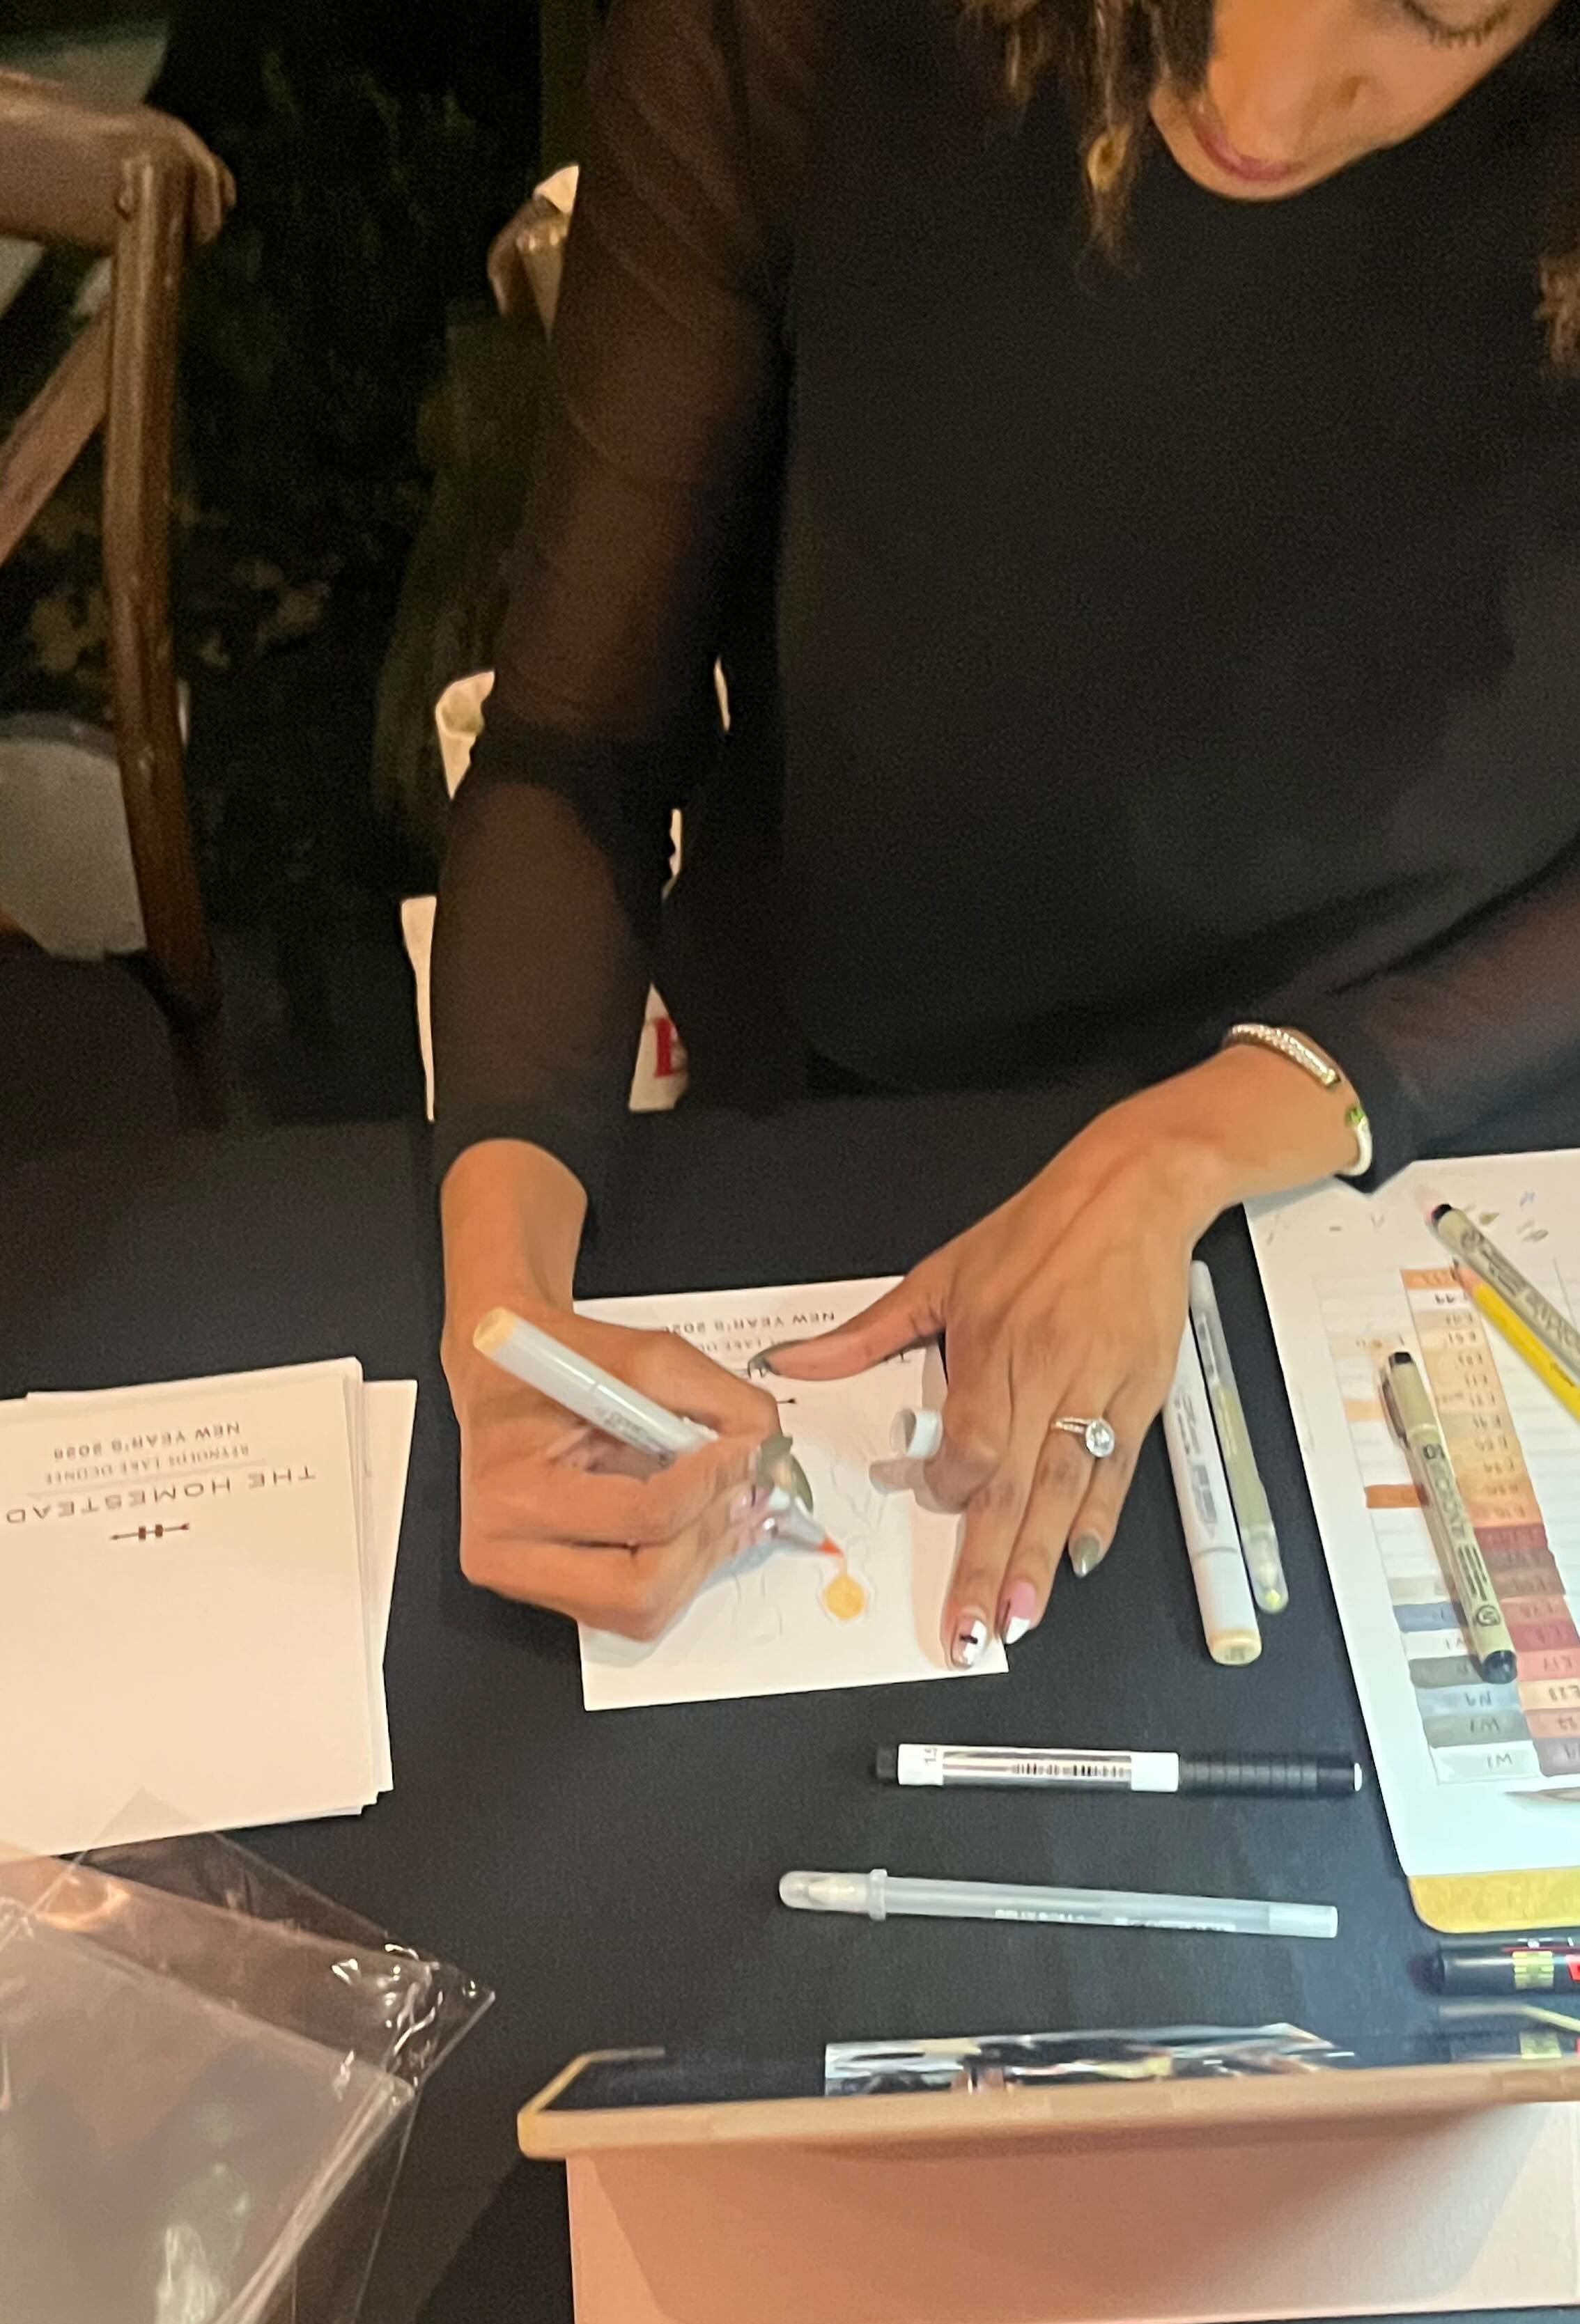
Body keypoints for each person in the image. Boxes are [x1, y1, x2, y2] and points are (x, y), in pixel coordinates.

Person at [433, 0, 1580, 1664]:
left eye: (1438, 15)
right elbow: (575, 750)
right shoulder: (794, 39)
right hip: (868, 1110)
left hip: (1428, 1108)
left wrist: (1214, 1133)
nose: (1257, 104)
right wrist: (505, 1318)